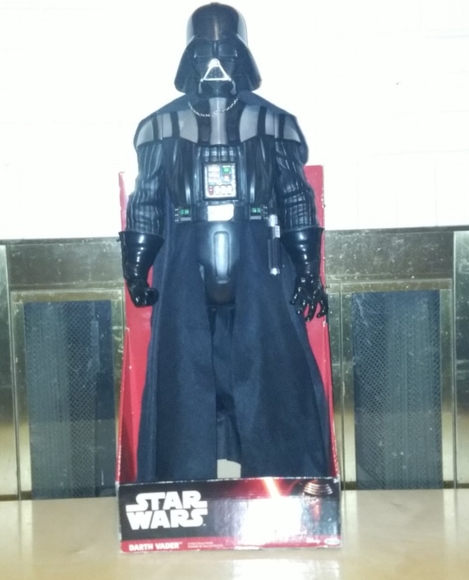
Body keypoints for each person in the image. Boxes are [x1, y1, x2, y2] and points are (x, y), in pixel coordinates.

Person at [120, 3, 331, 482]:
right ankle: (178, 490)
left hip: (260, 261)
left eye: (226, 53)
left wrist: (307, 272)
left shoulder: (274, 124)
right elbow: (147, 199)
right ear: (189, 58)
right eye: (204, 54)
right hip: (184, 265)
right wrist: (136, 268)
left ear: (242, 56)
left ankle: (289, 488)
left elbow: (295, 197)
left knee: (272, 376)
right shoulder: (159, 128)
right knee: (184, 381)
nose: (215, 65)